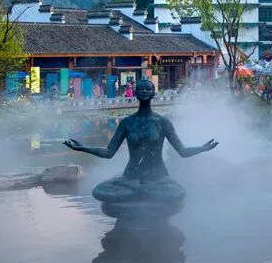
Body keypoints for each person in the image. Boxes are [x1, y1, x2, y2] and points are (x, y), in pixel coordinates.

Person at [64, 79, 218, 210]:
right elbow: (109, 152)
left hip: (158, 176)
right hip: (131, 175)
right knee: (99, 190)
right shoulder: (126, 123)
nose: (144, 91)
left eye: (148, 89)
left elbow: (182, 151)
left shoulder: (163, 122)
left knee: (177, 192)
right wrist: (83, 148)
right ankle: (141, 189)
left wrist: (202, 148)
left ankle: (138, 189)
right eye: (140, 89)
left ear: (153, 94)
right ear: (135, 93)